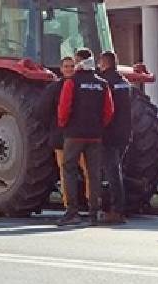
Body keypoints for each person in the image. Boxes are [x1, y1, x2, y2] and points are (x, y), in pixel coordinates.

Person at [55, 50, 114, 227]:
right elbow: (109, 111)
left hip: (74, 135)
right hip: (95, 135)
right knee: (93, 173)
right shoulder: (103, 84)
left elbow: (64, 108)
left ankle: (72, 211)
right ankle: (94, 212)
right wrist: (99, 126)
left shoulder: (72, 82)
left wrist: (63, 124)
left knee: (69, 169)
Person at [99, 51, 132, 224]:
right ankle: (117, 206)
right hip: (125, 132)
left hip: (110, 133)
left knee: (112, 172)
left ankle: (117, 210)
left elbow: (105, 110)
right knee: (116, 170)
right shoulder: (124, 83)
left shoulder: (105, 83)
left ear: (104, 64)